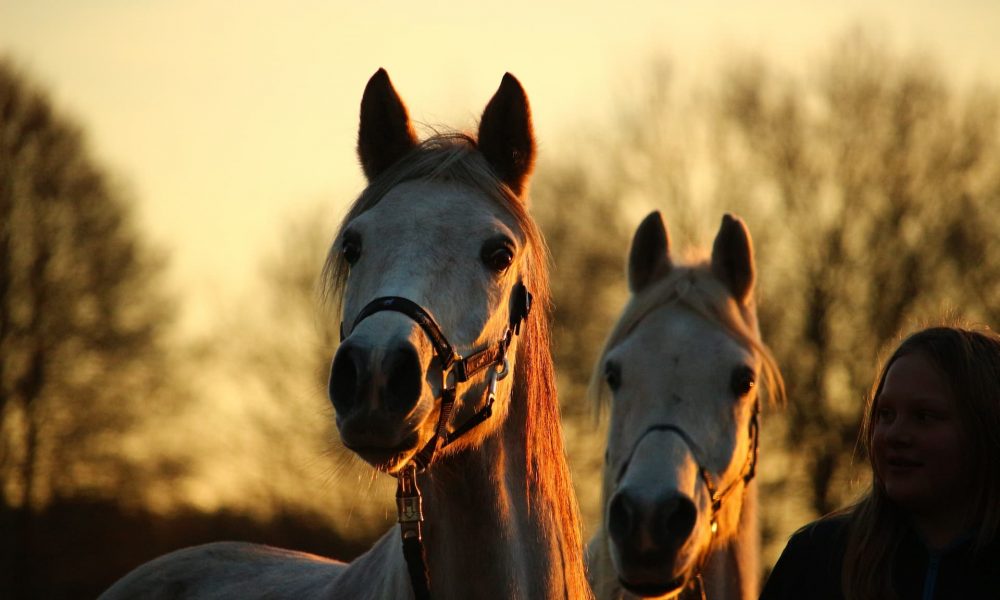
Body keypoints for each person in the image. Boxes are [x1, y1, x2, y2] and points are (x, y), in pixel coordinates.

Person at [760, 324, 1000, 600]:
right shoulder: (818, 558)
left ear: (986, 427)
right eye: (885, 414)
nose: (895, 435)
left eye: (924, 416)